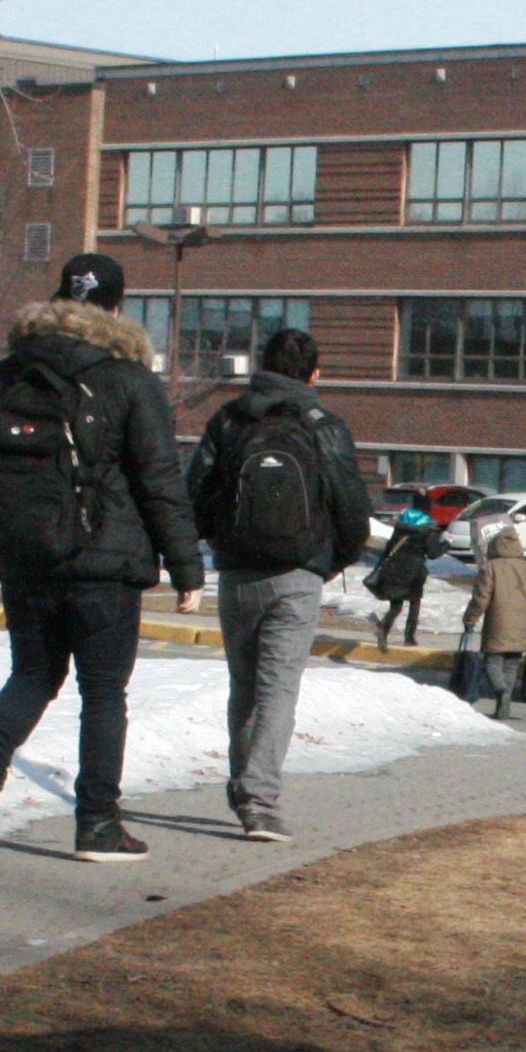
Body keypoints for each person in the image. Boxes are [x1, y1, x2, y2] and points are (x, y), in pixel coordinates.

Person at [0, 252, 203, 863]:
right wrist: (186, 566)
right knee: (103, 693)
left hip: (25, 557)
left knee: (33, 675)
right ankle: (97, 826)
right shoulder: (129, 378)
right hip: (103, 563)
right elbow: (159, 479)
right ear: (116, 308)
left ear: (57, 300)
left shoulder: (6, 376)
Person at [186, 327, 370, 842]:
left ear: (260, 368)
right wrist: (334, 560)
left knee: (245, 688)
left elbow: (196, 492)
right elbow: (352, 505)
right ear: (314, 374)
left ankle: (245, 785)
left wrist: (208, 544)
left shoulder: (228, 420)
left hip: (239, 573)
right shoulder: (324, 426)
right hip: (299, 574)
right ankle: (260, 802)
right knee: (278, 691)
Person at [466, 523, 526, 720]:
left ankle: (500, 691)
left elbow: (481, 598)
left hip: (497, 623)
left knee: (492, 662)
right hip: (523, 626)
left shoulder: (490, 568)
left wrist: (470, 619)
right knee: (511, 664)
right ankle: (506, 702)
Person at [367, 498, 437, 651]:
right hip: (414, 571)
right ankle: (409, 637)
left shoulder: (401, 525)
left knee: (396, 605)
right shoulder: (428, 528)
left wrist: (380, 566)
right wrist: (447, 543)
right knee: (414, 603)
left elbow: (389, 547)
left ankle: (383, 629)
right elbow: (432, 553)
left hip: (395, 568)